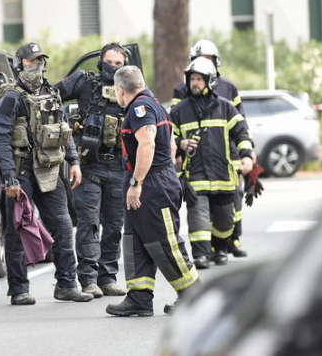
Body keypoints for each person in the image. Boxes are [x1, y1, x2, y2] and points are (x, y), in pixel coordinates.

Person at [0, 42, 94, 305]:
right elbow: (1, 139)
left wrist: (73, 161)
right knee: (17, 230)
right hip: (21, 169)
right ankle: (18, 289)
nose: (36, 67)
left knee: (62, 225)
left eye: (39, 61)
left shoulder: (52, 93)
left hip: (49, 168)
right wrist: (8, 177)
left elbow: (64, 130)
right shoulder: (11, 97)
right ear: (19, 65)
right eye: (30, 62)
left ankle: (67, 285)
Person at [105, 65, 199, 317]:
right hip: (153, 179)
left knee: (164, 242)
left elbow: (147, 144)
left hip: (151, 184)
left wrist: (137, 183)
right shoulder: (155, 104)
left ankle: (194, 297)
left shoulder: (139, 109)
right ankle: (139, 297)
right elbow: (169, 146)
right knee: (135, 240)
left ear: (120, 90)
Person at [54, 42, 129, 298]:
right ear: (100, 62)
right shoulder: (83, 81)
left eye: (119, 64)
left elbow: (148, 114)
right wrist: (68, 126)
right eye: (110, 62)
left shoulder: (132, 89)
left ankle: (107, 277)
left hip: (119, 167)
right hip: (89, 166)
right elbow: (51, 100)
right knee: (88, 223)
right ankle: (88, 279)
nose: (114, 68)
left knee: (113, 225)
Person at [171, 39, 253, 259]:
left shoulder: (226, 101)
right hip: (196, 170)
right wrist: (179, 145)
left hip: (224, 168)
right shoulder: (180, 105)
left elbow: (241, 128)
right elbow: (171, 133)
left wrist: (246, 155)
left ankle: (223, 245)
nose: (195, 82)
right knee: (198, 215)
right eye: (193, 78)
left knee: (227, 216)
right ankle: (201, 254)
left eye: (200, 78)